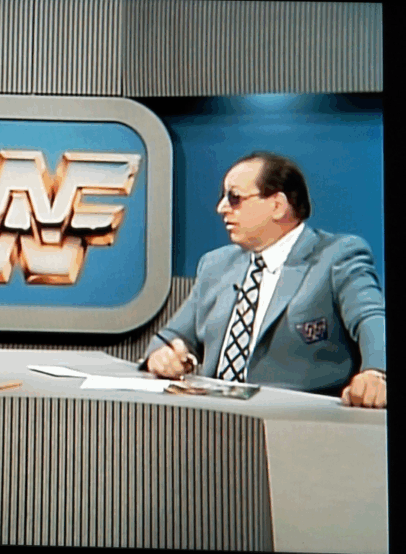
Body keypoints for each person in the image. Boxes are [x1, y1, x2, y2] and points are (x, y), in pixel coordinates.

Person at [141, 151, 386, 408]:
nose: (221, 208)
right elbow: (171, 336)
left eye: (234, 197)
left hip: (296, 418)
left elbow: (370, 318)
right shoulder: (215, 265)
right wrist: (162, 356)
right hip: (211, 417)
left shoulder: (336, 256)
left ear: (277, 205)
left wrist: (376, 373)